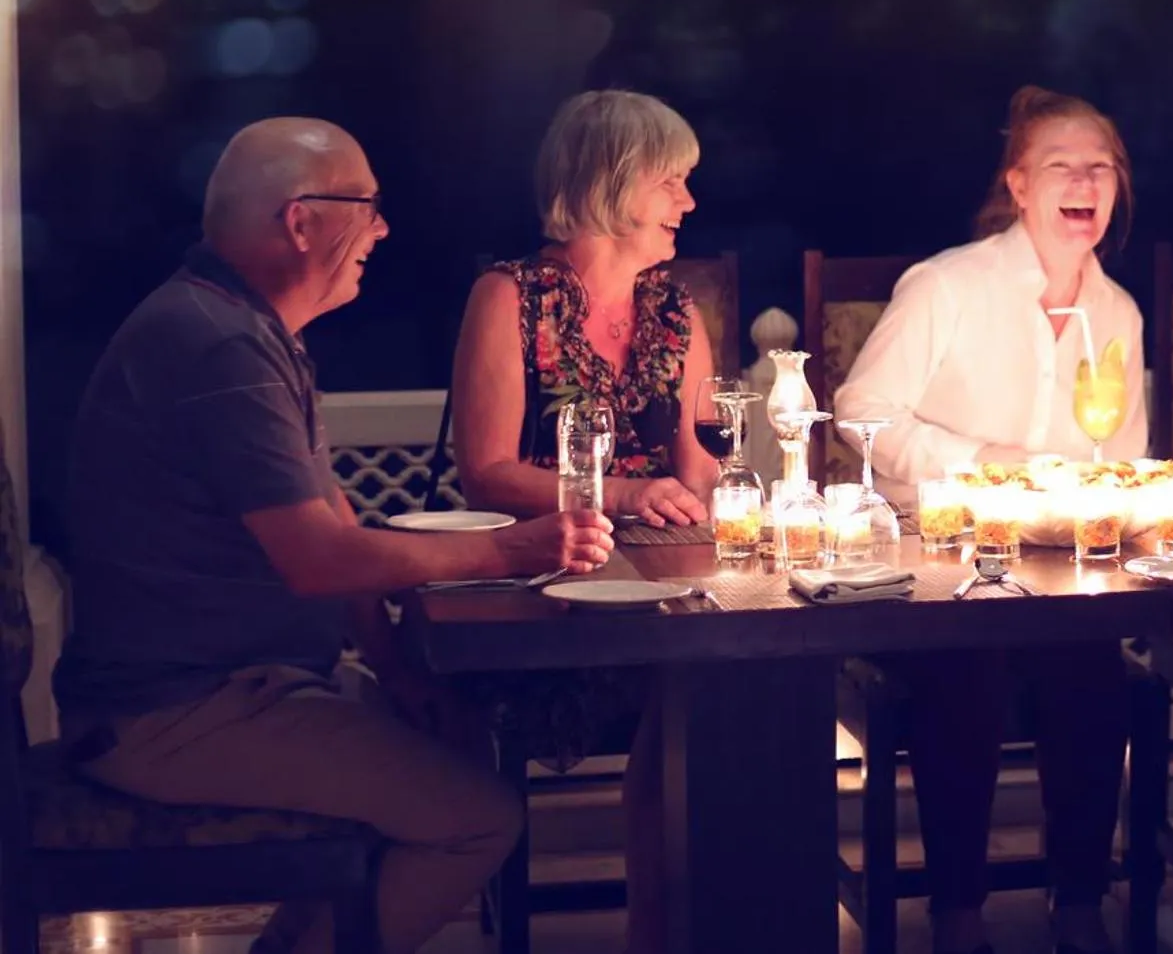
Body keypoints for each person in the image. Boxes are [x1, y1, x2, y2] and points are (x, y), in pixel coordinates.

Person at [55, 118, 611, 954]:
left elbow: (336, 519)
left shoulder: (247, 329)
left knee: (461, 737)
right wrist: (515, 549)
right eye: (368, 207)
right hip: (173, 711)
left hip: (241, 685)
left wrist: (395, 667)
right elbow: (319, 559)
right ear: (301, 221)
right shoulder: (217, 347)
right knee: (480, 819)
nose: (382, 230)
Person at [837, 85, 1145, 954]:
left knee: (1095, 671)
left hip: (1057, 564)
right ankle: (957, 913)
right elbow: (861, 411)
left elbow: (1120, 457)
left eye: (1100, 168)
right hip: (939, 557)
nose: (1083, 183)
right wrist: (983, 462)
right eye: (1061, 166)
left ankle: (1079, 903)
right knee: (964, 666)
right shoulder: (948, 286)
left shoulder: (1117, 313)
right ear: (1018, 184)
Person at [450, 88, 719, 954]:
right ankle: (660, 933)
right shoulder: (510, 298)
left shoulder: (676, 311)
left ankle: (693, 927)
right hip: (545, 583)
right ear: (614, 180)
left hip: (666, 585)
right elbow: (486, 471)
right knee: (687, 690)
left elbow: (702, 471)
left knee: (722, 677)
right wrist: (623, 497)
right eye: (672, 181)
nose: (688, 202)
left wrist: (709, 504)